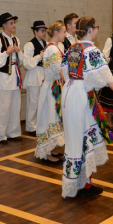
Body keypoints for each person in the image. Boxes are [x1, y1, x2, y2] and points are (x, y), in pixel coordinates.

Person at [61, 16, 113, 198]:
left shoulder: (72, 48)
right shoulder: (91, 51)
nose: (97, 30)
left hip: (69, 94)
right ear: (90, 30)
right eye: (96, 27)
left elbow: (63, 71)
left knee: (75, 138)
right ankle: (84, 184)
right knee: (86, 137)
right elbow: (108, 79)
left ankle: (79, 182)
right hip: (82, 97)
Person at [35, 21, 67, 162]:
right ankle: (46, 153)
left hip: (54, 87)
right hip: (51, 89)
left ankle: (50, 149)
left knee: (53, 117)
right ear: (56, 33)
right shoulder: (52, 49)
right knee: (49, 118)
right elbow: (58, 69)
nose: (65, 34)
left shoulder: (54, 47)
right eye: (63, 32)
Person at [0, 13, 23, 143]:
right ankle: (0, 135)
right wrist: (6, 53)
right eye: (11, 23)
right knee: (2, 107)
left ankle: (13, 132)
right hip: (3, 76)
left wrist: (19, 53)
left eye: (14, 23)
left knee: (15, 105)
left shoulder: (16, 39)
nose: (14, 25)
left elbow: (20, 62)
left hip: (15, 74)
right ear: (4, 25)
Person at [22, 21, 47, 136]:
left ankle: (39, 125)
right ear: (35, 32)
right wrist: (39, 56)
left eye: (45, 30)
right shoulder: (29, 45)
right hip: (34, 74)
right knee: (33, 103)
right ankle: (31, 127)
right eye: (41, 31)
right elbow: (26, 63)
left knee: (42, 102)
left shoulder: (46, 44)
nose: (44, 33)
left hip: (43, 74)